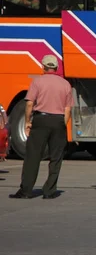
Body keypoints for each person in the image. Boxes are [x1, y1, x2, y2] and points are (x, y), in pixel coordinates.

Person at [9, 55, 73, 199]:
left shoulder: (37, 82)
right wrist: (63, 124)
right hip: (58, 121)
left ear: (43, 67)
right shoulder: (65, 84)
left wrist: (27, 121)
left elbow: (30, 103)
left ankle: (26, 190)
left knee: (33, 156)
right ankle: (49, 191)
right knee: (56, 158)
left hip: (41, 120)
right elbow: (68, 109)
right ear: (56, 68)